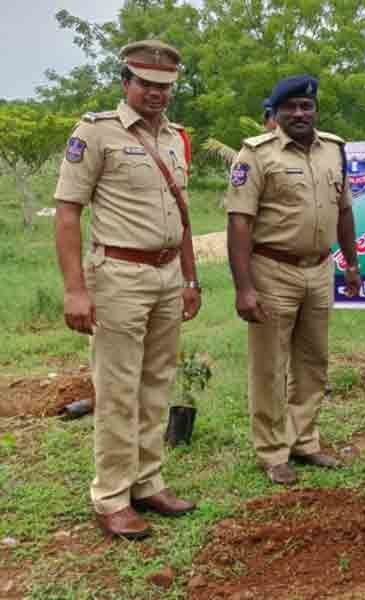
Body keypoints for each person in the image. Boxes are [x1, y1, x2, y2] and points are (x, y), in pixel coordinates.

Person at [54, 40, 200, 539]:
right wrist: (75, 289)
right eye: (146, 83)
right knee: (117, 390)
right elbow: (68, 211)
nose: (156, 93)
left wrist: (190, 278)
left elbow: (182, 217)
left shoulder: (176, 139)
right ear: (126, 82)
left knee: (156, 383)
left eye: (165, 86)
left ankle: (147, 480)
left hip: (165, 277)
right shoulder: (96, 133)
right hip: (117, 276)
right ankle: (111, 496)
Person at [225, 75, 362, 485]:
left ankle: (305, 440)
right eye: (292, 108)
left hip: (320, 269)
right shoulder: (256, 155)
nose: (300, 113)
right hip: (272, 270)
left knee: (312, 361)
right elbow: (239, 223)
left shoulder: (334, 150)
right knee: (270, 365)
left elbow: (344, 212)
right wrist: (244, 287)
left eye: (307, 106)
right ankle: (272, 451)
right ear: (276, 113)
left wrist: (351, 263)